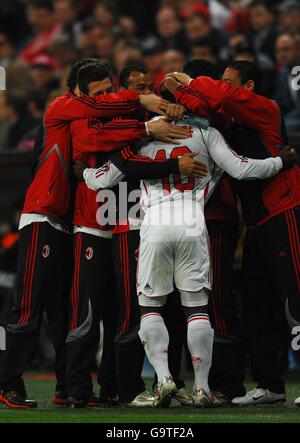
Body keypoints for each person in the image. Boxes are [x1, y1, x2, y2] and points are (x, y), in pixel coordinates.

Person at [0, 57, 171, 409]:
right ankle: (7, 382)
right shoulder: (63, 109)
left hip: (65, 221)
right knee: (27, 306)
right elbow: (92, 135)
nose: (106, 98)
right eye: (99, 93)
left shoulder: (86, 113)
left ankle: (68, 388)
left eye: (111, 91)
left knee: (62, 313)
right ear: (78, 93)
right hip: (42, 216)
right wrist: (142, 115)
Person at [164, 60, 300, 405]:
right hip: (256, 223)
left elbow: (219, 95)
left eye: (227, 80)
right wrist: (177, 92)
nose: (220, 85)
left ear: (249, 86)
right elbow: (204, 107)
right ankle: (270, 385)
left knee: (296, 297)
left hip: (285, 211)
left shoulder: (266, 109)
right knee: (257, 306)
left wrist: (193, 81)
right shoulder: (231, 123)